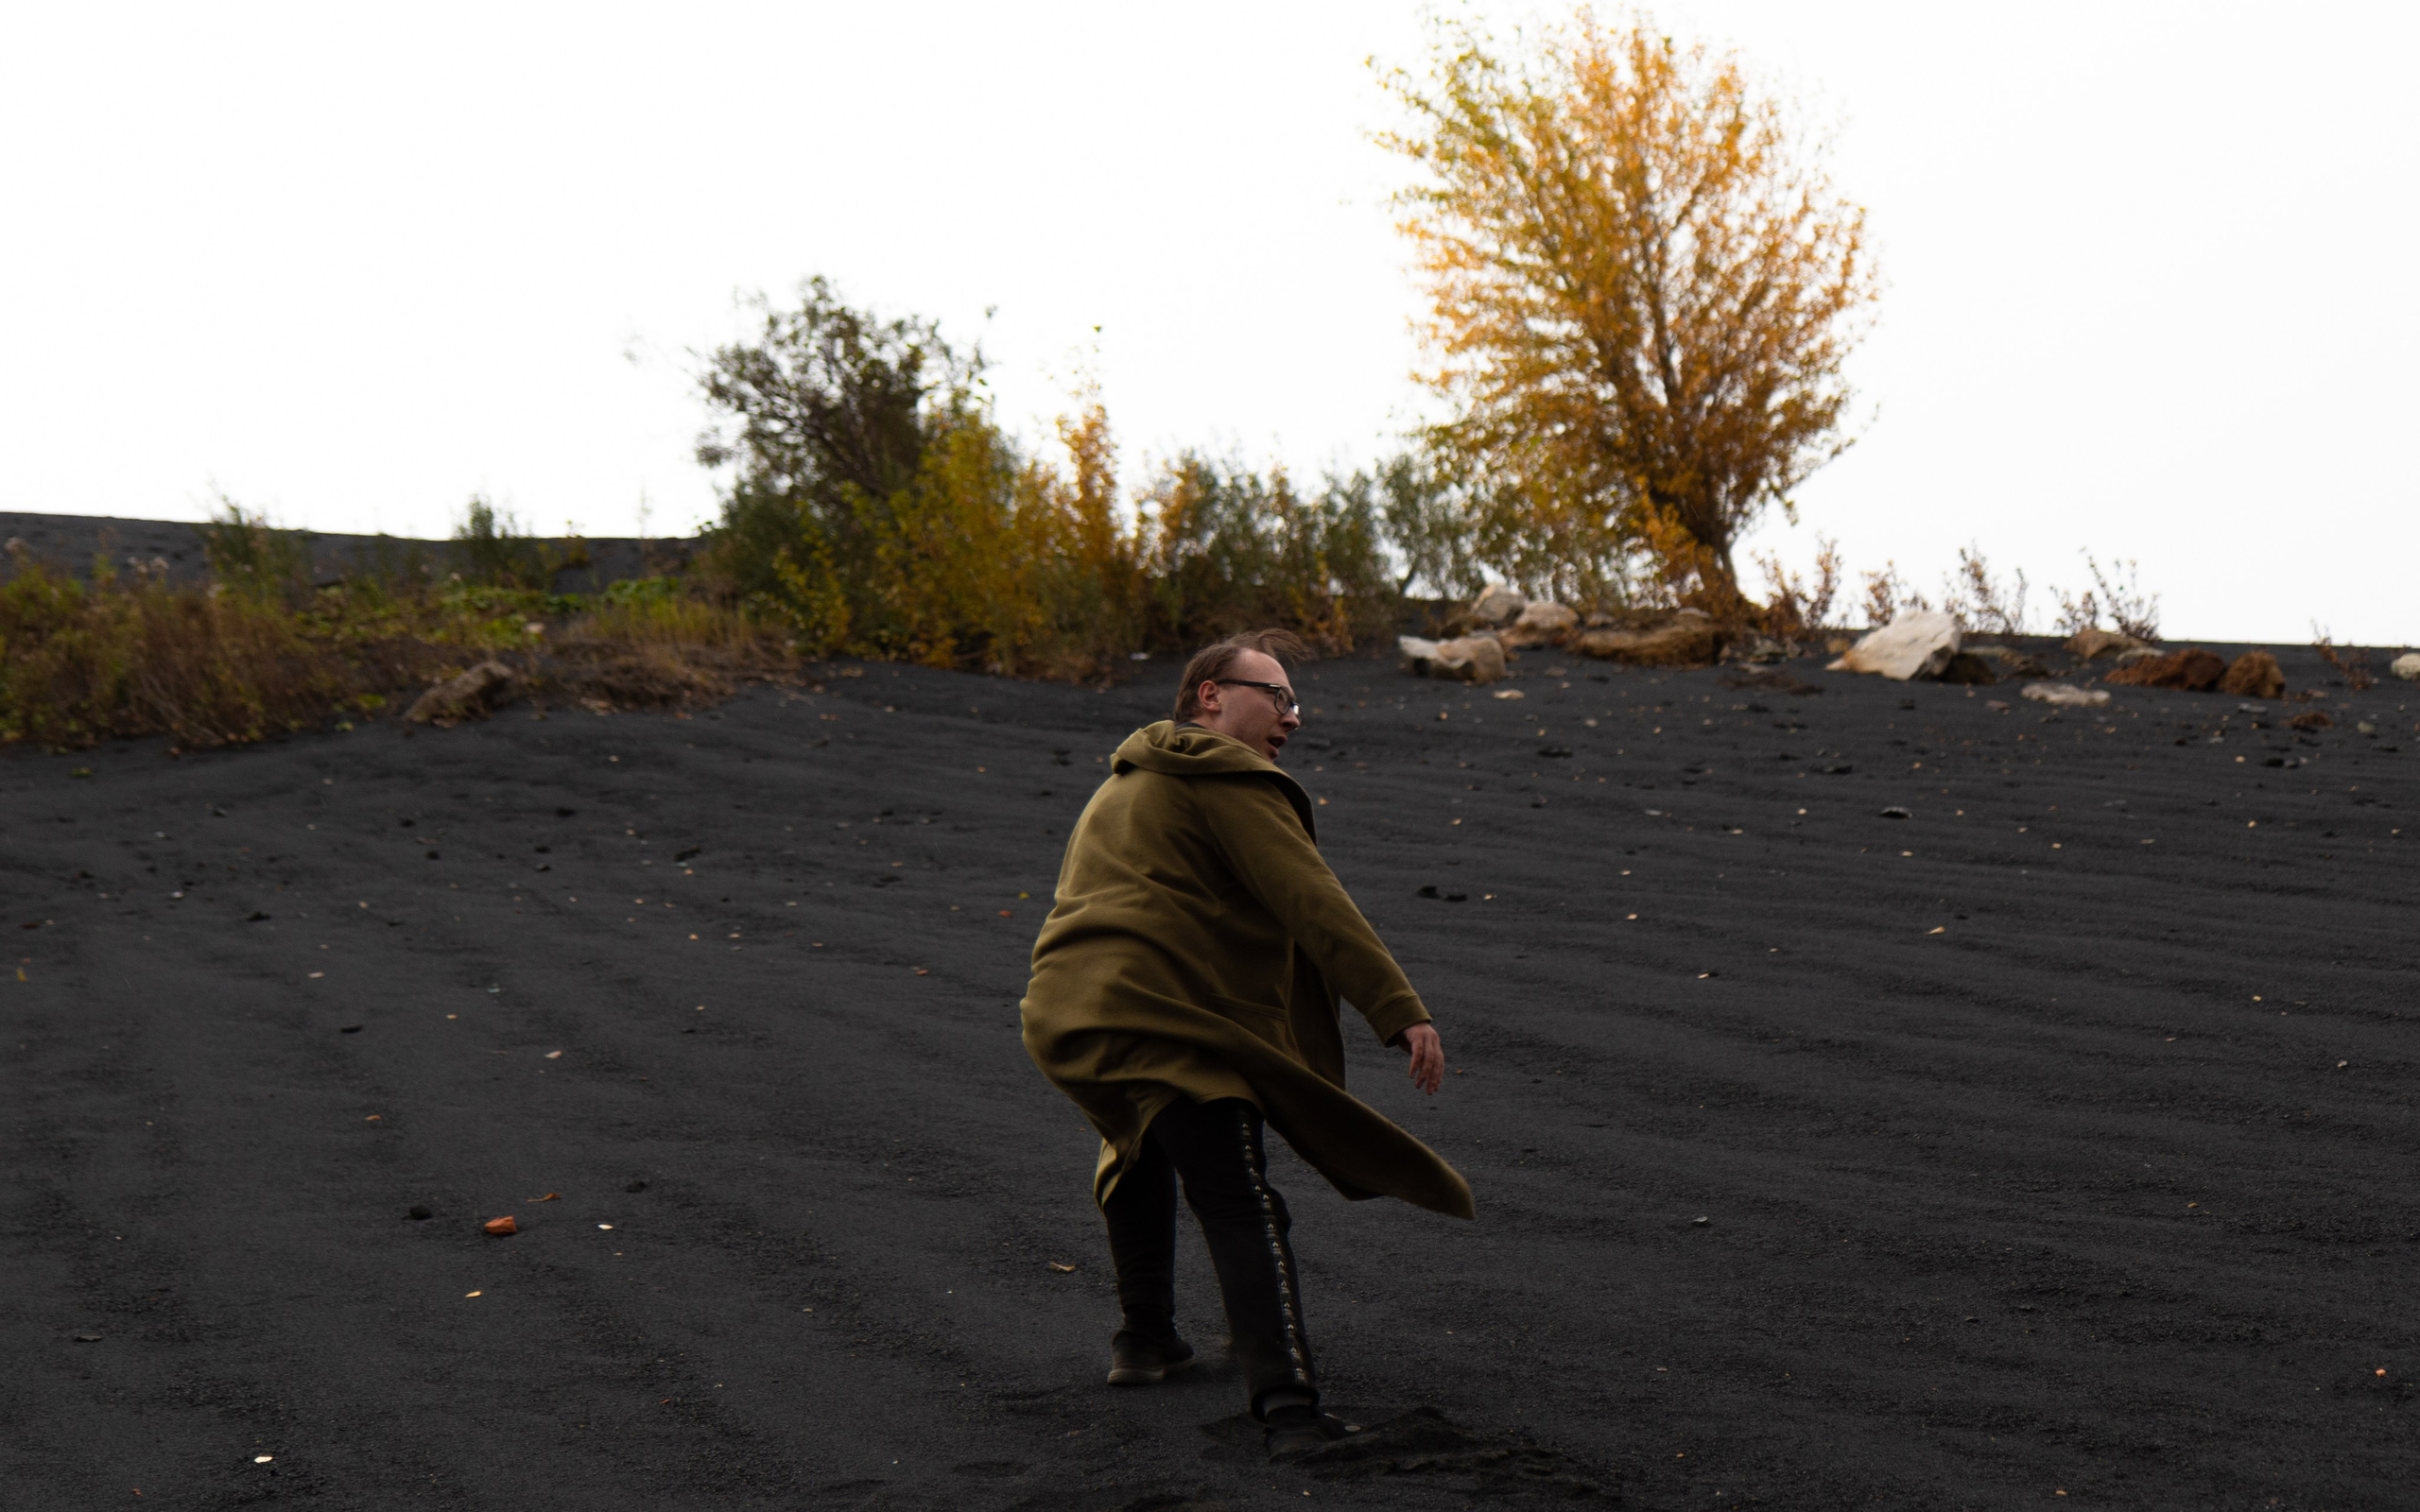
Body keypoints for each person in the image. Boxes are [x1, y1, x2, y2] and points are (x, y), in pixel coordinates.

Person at [1019, 629, 1473, 1460]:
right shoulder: (1225, 775)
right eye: (1278, 696)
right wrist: (1399, 1009)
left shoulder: (1123, 785)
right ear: (1211, 695)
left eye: (1296, 702)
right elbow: (1313, 899)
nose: (1293, 718)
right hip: (1158, 1012)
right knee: (1238, 1194)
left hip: (1068, 1013)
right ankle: (1290, 1411)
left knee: (1136, 1145)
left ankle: (1146, 1341)